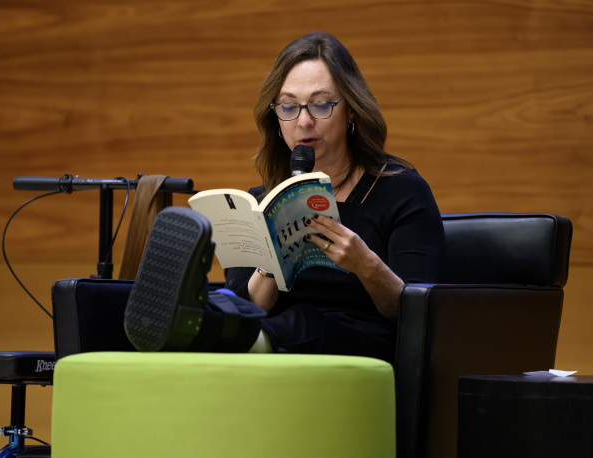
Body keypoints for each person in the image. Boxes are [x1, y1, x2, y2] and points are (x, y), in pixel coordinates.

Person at [124, 31, 445, 364]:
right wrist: (271, 260)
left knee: (306, 321)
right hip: (275, 343)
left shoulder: (401, 190)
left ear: (351, 110)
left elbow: (421, 314)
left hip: (364, 346)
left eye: (321, 104)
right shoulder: (263, 202)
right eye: (289, 106)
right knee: (232, 308)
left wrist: (366, 265)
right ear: (276, 119)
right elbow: (251, 307)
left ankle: (204, 334)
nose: (304, 121)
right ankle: (192, 321)